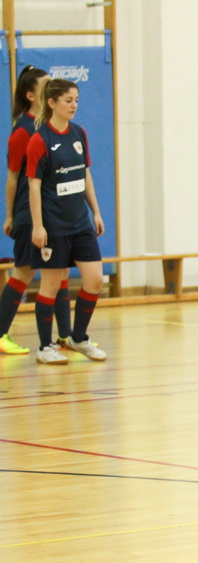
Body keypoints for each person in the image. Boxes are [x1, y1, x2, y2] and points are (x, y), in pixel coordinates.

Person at [27, 78, 107, 364]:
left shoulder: (79, 133)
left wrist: (96, 211)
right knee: (50, 286)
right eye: (68, 100)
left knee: (94, 280)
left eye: (76, 100)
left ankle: (79, 337)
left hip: (80, 223)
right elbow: (34, 185)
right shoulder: (40, 140)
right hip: (54, 226)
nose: (74, 105)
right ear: (52, 103)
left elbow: (85, 174)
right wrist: (38, 225)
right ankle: (45, 347)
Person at [0, 65, 74, 356]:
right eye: (45, 87)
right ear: (31, 95)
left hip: (53, 212)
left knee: (60, 270)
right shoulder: (23, 131)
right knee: (24, 271)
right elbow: (13, 177)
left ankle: (66, 336)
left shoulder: (54, 127)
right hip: (29, 214)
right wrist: (10, 215)